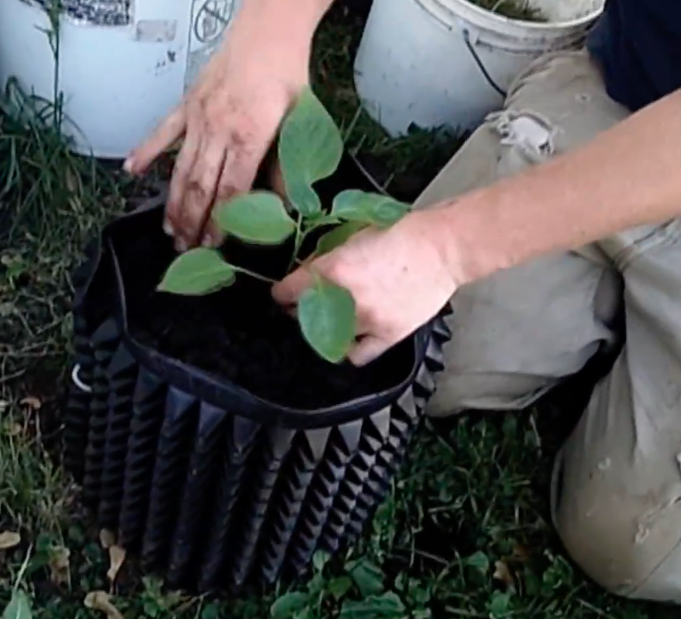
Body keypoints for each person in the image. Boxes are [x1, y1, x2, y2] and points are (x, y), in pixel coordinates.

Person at [123, 0, 681, 604]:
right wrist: (270, 34)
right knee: (423, 351)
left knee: (622, 539)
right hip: (637, 88)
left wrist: (451, 248)